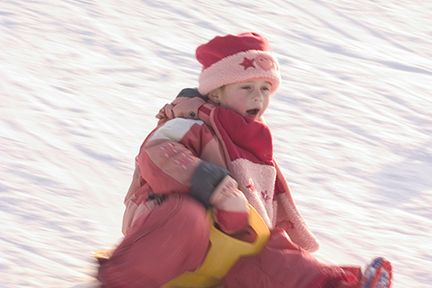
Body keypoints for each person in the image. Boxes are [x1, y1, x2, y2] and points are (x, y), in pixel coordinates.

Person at [97, 32, 392, 288]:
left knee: (276, 258)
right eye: (246, 88)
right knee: (187, 216)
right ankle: (120, 280)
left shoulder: (253, 144)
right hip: (167, 236)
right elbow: (156, 152)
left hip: (227, 243)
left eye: (265, 89)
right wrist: (212, 184)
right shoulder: (193, 122)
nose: (258, 98)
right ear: (216, 91)